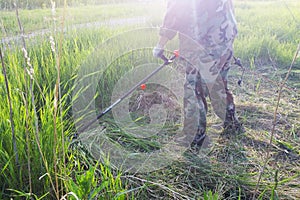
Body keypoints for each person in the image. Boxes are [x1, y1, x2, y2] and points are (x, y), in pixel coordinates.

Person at [153, 0, 243, 152]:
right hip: (224, 38)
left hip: (203, 44)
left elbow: (176, 11)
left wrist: (160, 45)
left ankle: (194, 136)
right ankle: (231, 122)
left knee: (194, 90)